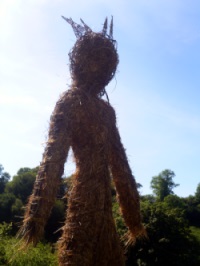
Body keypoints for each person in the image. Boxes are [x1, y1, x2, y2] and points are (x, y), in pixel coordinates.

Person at [19, 17, 145, 266]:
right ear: (80, 62)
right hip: (85, 198)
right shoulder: (70, 102)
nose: (98, 66)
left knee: (111, 257)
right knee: (78, 253)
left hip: (104, 202)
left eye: (104, 61)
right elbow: (53, 161)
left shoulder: (107, 113)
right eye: (94, 59)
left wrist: (134, 220)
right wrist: (35, 220)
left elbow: (120, 166)